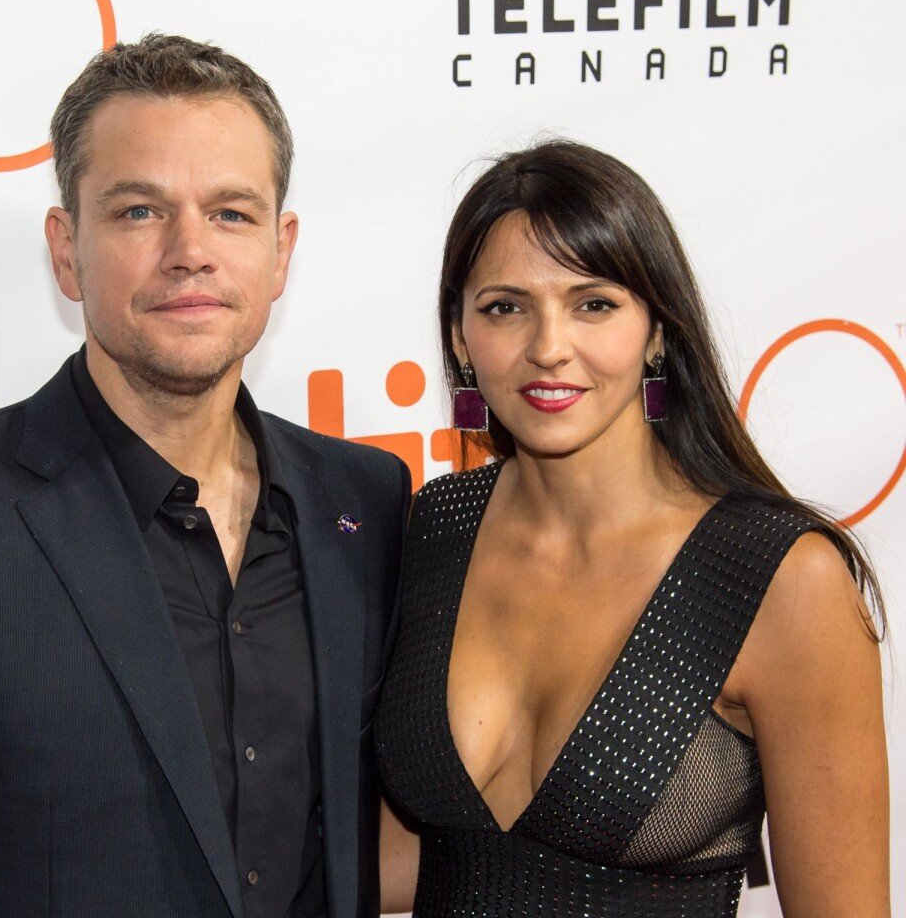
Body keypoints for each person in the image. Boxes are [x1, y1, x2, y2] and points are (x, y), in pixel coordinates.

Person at [0, 34, 410, 918]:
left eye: (231, 213)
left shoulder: (363, 502)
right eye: (138, 212)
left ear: (281, 251)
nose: (190, 251)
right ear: (65, 248)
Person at [375, 140, 889, 917]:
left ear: (656, 332)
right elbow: (400, 861)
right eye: (504, 307)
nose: (549, 348)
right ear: (458, 337)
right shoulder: (428, 533)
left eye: (594, 304)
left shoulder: (781, 580)